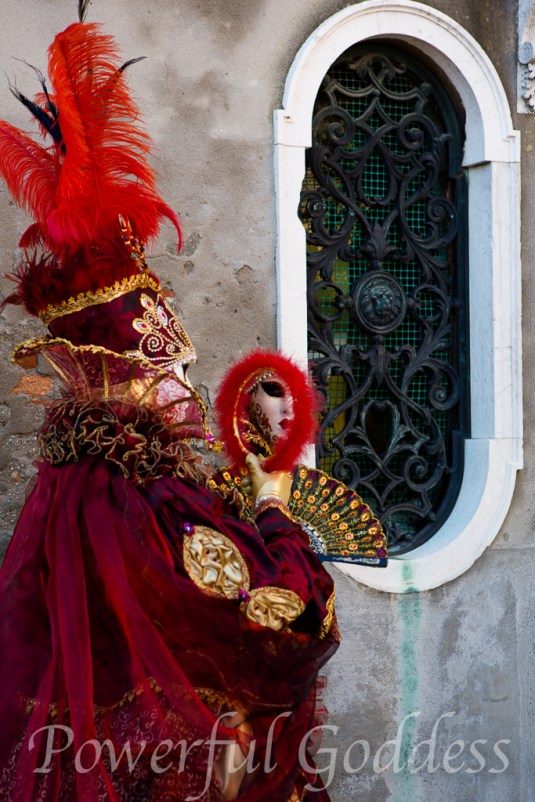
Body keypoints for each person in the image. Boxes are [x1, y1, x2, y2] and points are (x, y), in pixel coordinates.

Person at [0, 7, 339, 802]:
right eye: (168, 370)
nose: (186, 387)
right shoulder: (141, 497)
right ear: (114, 377)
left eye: (185, 368)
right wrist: (274, 504)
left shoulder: (80, 484)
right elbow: (277, 621)